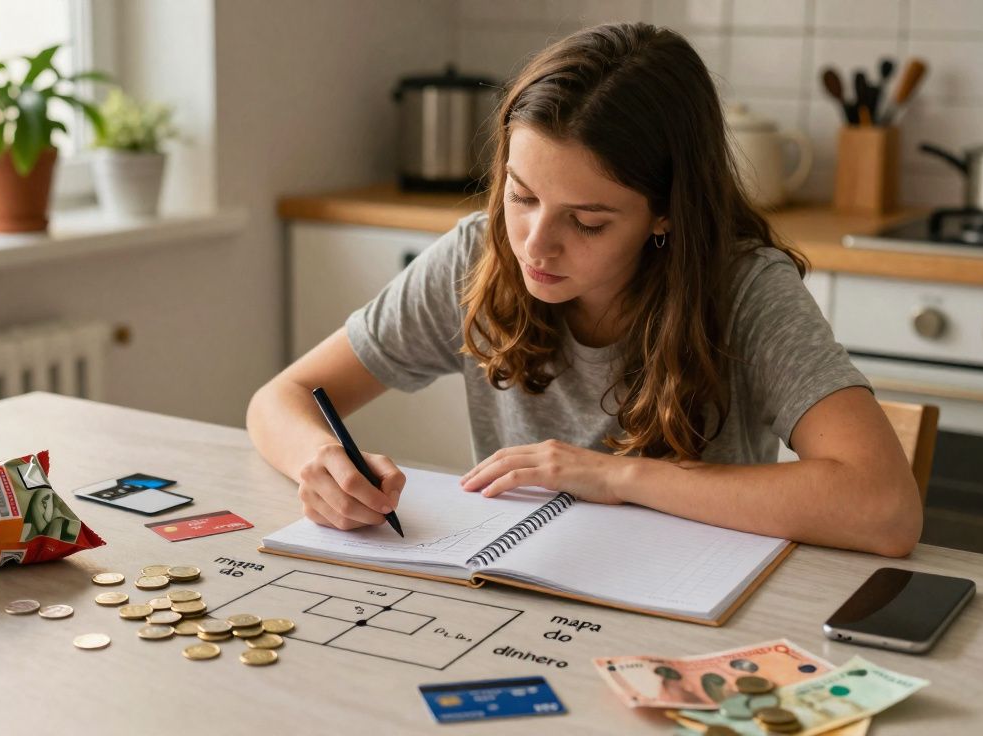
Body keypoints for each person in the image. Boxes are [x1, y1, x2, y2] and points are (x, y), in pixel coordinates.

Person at [246, 22, 921, 557]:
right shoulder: (478, 256)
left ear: (665, 214)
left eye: (587, 220)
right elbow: (279, 399)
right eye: (521, 195)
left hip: (692, 612)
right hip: (522, 594)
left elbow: (884, 507)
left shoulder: (744, 290)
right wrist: (323, 463)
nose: (535, 243)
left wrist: (617, 477)